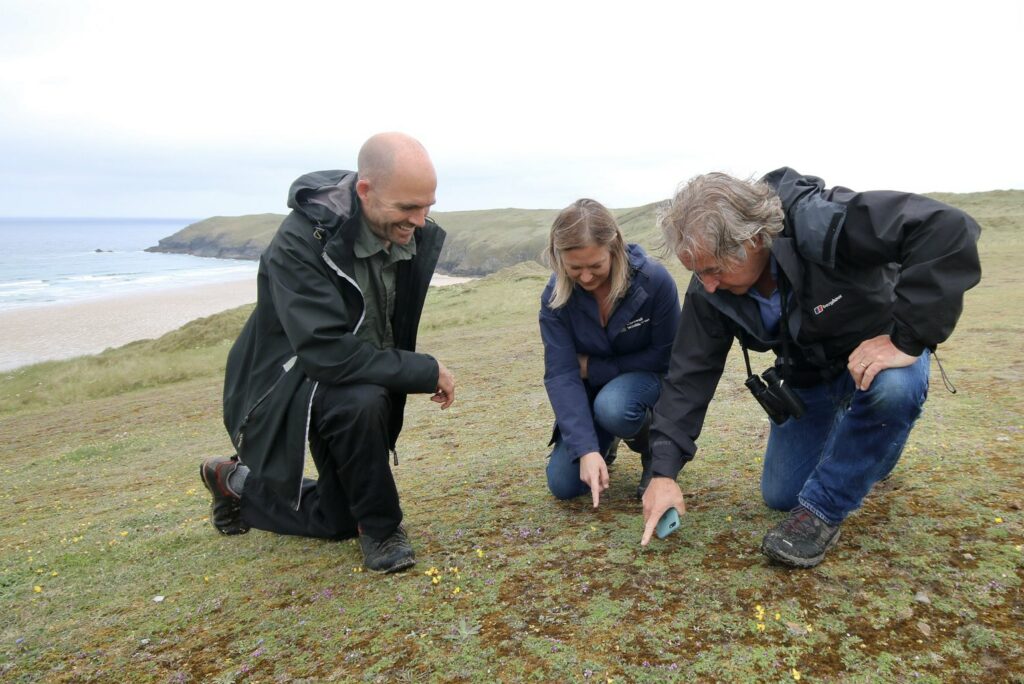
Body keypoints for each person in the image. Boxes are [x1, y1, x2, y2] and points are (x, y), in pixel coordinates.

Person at [640, 168, 981, 567]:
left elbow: (946, 228)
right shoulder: (710, 290)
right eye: (697, 271)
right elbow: (688, 377)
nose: (707, 284)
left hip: (876, 358)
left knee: (892, 391)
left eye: (714, 269)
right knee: (782, 495)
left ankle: (821, 513)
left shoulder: (824, 221)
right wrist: (663, 473)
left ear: (753, 240)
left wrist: (906, 339)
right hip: (808, 376)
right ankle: (862, 451)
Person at [199, 132, 455, 574]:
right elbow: (327, 353)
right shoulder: (299, 243)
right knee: (364, 396)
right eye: (408, 208)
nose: (420, 219)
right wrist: (422, 370)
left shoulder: (405, 231)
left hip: (349, 379)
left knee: (335, 519)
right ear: (364, 191)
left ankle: (235, 484)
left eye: (427, 205)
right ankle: (382, 531)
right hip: (288, 386)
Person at [540, 199, 680, 507]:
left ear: (614, 248)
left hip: (647, 383)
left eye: (595, 266)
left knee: (614, 406)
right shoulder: (554, 296)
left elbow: (667, 357)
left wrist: (594, 367)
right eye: (575, 268)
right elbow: (562, 373)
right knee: (564, 484)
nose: (586, 278)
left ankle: (653, 451)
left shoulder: (654, 282)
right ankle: (605, 441)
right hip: (594, 394)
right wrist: (586, 450)